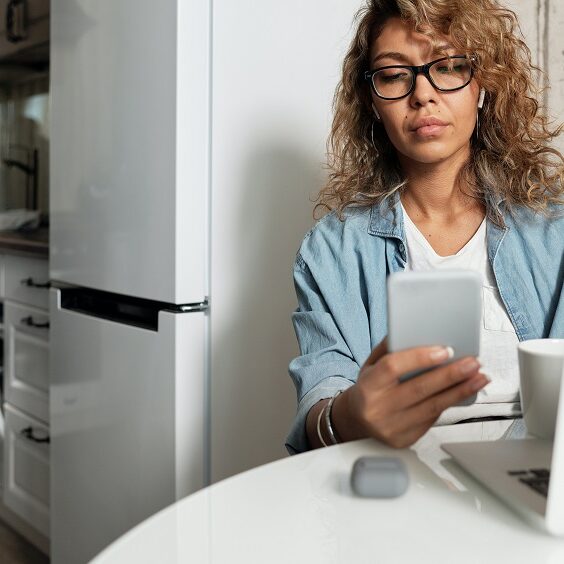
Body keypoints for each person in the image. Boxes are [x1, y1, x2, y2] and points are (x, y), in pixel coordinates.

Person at [286, 0, 564, 456]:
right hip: (397, 481)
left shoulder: (555, 233)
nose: (423, 95)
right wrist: (351, 415)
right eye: (394, 75)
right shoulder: (332, 250)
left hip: (533, 479)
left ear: (482, 87)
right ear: (372, 102)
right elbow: (320, 400)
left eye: (450, 66)